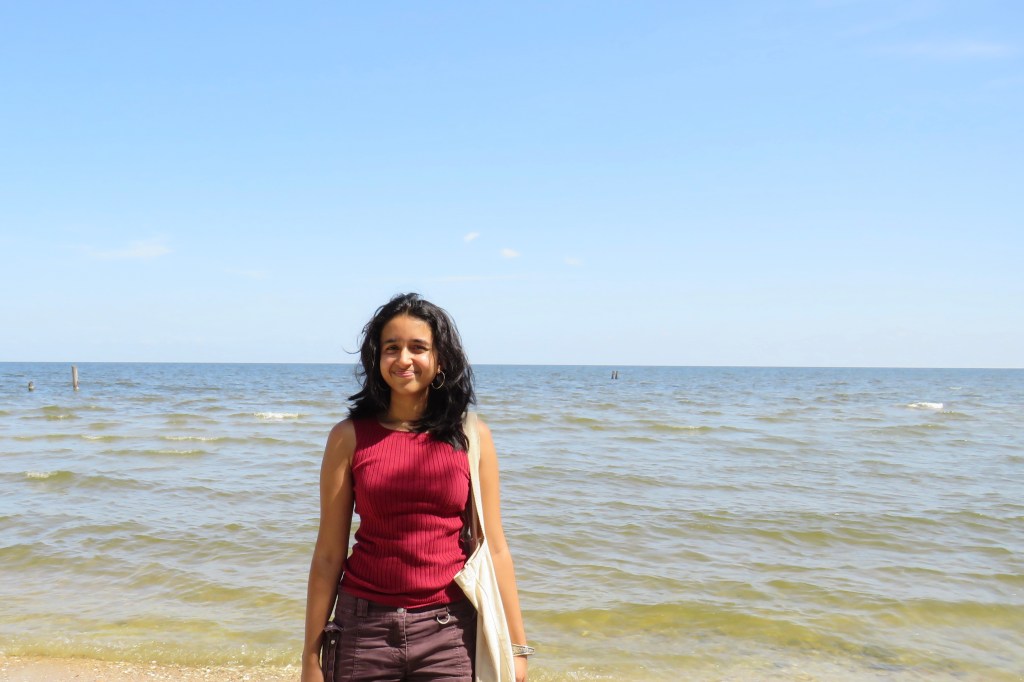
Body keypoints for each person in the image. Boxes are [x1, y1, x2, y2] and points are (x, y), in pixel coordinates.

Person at [302, 293, 529, 682]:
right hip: (363, 631)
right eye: (392, 348)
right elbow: (328, 554)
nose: (403, 359)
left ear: (439, 360)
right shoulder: (348, 437)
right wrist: (309, 657)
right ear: (377, 359)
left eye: (418, 347)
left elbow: (494, 547)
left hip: (450, 632)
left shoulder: (471, 437)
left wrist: (517, 647)